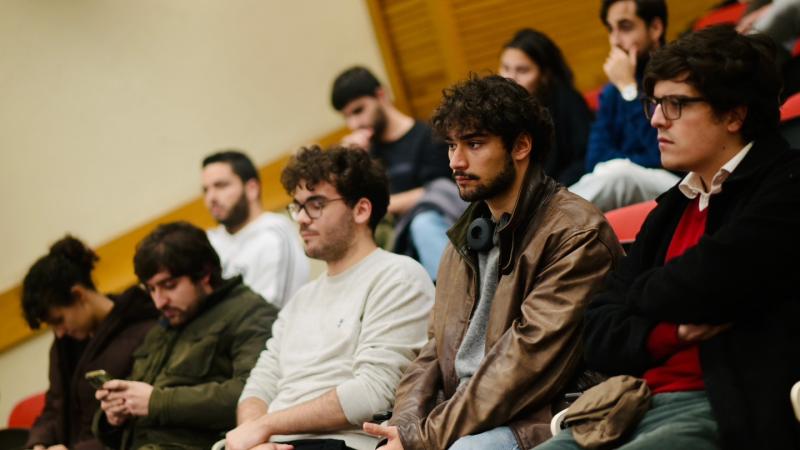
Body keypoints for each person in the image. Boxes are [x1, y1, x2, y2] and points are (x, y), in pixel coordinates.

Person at [537, 25, 800, 450]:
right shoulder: (672, 208)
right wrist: (671, 332)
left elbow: (712, 279)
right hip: (631, 403)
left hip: (724, 403)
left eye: (676, 104)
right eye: (655, 104)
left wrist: (639, 296)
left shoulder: (787, 183)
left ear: (734, 114)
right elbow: (597, 329)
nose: (657, 119)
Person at [363, 75, 622, 450]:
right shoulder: (463, 238)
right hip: (462, 415)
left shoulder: (575, 233)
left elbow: (524, 365)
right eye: (452, 146)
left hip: (543, 414)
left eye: (474, 144)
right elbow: (434, 353)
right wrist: (402, 428)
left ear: (521, 146)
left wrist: (422, 436)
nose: (456, 161)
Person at [224, 145, 434, 450]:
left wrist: (265, 426)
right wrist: (252, 439)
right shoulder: (301, 299)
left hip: (339, 442)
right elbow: (260, 383)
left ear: (361, 210)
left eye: (316, 204)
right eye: (297, 206)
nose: (301, 218)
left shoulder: (398, 276)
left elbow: (374, 392)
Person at [93, 221, 278, 450]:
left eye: (169, 285)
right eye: (151, 289)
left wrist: (157, 402)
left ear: (204, 275)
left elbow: (254, 394)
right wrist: (114, 416)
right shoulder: (165, 325)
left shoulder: (250, 313)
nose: (159, 302)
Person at [20, 236, 158, 450]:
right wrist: (39, 443)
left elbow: (139, 426)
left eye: (59, 320)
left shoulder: (145, 330)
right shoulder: (65, 343)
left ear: (79, 294)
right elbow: (54, 406)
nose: (59, 332)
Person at [331, 66, 466, 281]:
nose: (354, 124)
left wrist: (380, 205)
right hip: (390, 241)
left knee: (424, 223)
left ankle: (454, 291)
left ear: (381, 95)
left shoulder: (428, 137)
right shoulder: (365, 151)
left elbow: (439, 192)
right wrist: (349, 163)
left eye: (358, 111)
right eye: (346, 117)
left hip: (435, 227)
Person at [570, 0, 680, 211]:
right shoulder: (613, 91)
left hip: (678, 185)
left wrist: (629, 90)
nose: (615, 41)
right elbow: (595, 160)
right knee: (614, 171)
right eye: (610, 29)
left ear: (655, 28)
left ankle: (544, 223)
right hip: (626, 182)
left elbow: (666, 156)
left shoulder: (676, 78)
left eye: (625, 27)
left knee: (620, 174)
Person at [203, 150, 309, 308]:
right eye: (206, 190)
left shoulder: (274, 234)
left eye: (221, 186)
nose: (211, 198)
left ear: (251, 189)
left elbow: (270, 313)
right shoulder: (208, 241)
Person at [499, 28, 593, 185]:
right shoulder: (496, 108)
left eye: (522, 70)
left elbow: (585, 158)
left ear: (545, 75)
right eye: (505, 68)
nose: (510, 78)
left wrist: (552, 191)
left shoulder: (568, 101)